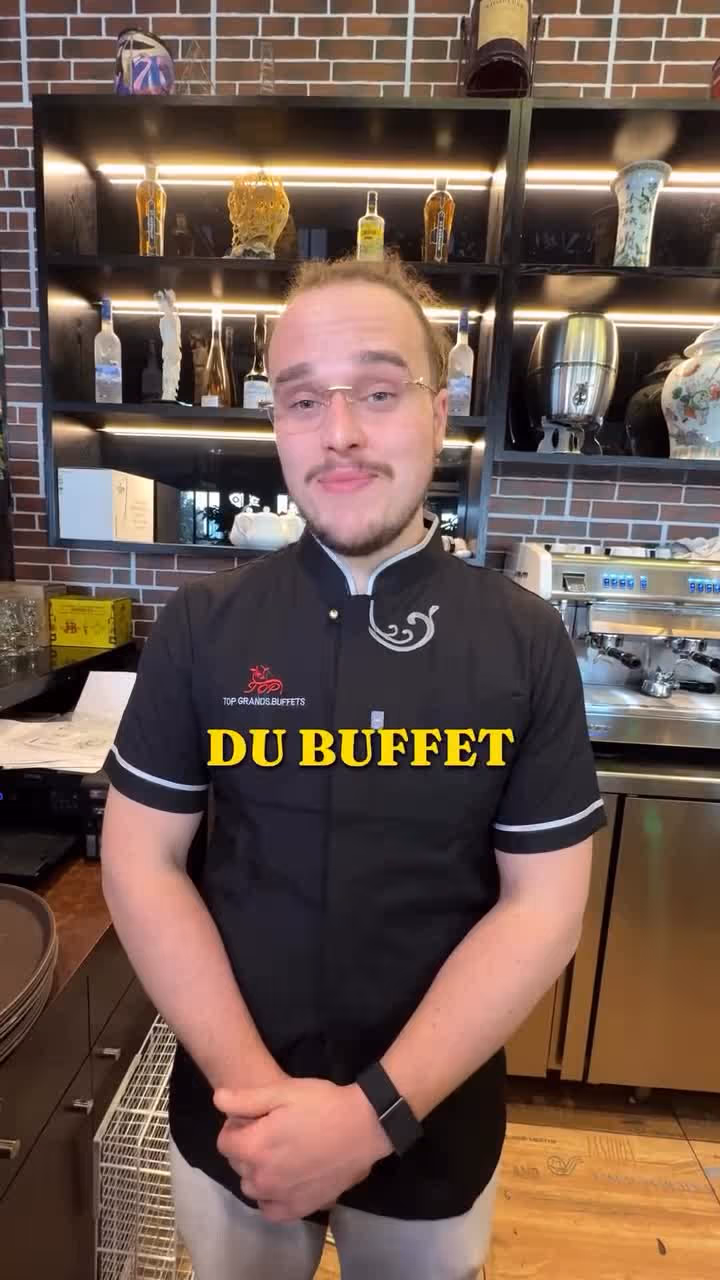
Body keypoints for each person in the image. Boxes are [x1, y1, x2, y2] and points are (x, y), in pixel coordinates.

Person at [101, 255, 606, 1280]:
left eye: (377, 391)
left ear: (439, 409)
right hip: (235, 1115)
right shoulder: (203, 626)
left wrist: (371, 1115)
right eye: (303, 400)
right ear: (277, 424)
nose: (339, 431)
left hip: (434, 1119)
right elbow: (141, 862)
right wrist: (259, 1103)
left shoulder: (524, 640)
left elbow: (543, 907)